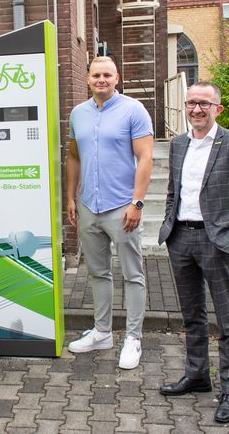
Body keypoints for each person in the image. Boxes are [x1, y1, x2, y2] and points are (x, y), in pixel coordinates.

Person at [158, 82, 229, 423]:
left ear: (217, 108)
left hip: (217, 242)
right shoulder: (178, 144)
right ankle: (198, 375)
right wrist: (168, 224)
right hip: (181, 239)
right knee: (192, 316)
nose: (196, 109)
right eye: (191, 103)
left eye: (204, 103)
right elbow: (174, 191)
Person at [66, 56, 153, 370]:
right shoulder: (78, 114)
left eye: (107, 75)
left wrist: (137, 203)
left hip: (122, 206)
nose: (101, 80)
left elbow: (145, 158)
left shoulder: (133, 110)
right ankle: (102, 332)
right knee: (98, 272)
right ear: (88, 79)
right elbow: (73, 157)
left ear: (117, 78)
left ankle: (133, 338)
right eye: (96, 75)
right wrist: (71, 198)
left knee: (133, 274)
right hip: (90, 206)